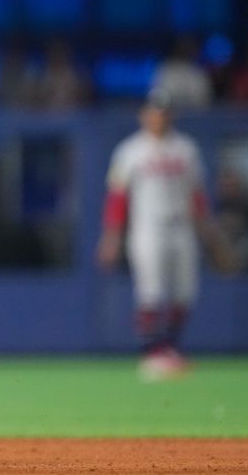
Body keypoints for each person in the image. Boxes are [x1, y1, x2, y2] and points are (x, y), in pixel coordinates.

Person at [96, 91, 234, 381]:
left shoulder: (186, 149)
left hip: (182, 226)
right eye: (154, 111)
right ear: (144, 115)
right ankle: (152, 353)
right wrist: (111, 238)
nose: (159, 117)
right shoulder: (130, 150)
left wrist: (213, 238)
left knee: (184, 292)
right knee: (151, 291)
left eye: (164, 112)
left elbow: (198, 198)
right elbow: (118, 198)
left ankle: (171, 349)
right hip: (148, 226)